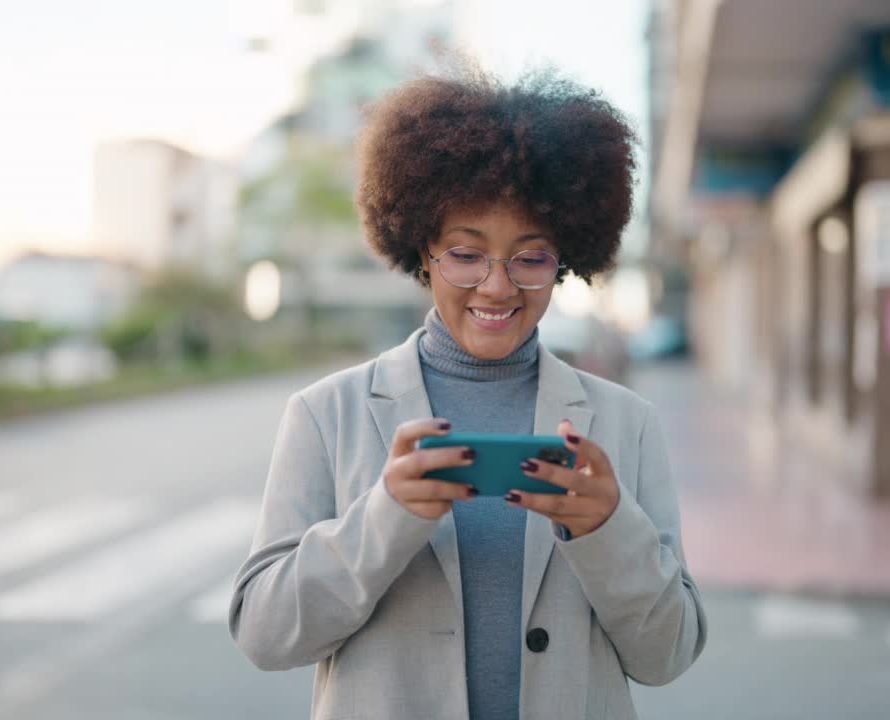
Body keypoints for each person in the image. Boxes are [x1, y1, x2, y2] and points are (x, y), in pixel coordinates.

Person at [228, 67, 706, 720]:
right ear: (422, 249)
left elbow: (669, 655)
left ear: (565, 261)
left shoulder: (628, 423)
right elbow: (266, 632)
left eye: (530, 257)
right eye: (465, 252)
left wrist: (606, 528)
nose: (497, 286)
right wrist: (386, 517)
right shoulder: (323, 414)